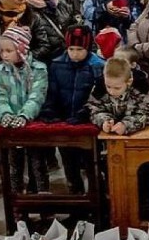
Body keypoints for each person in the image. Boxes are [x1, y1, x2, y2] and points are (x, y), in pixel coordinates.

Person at [40, 25, 104, 194]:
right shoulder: (56, 65)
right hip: (65, 123)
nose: (75, 53)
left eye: (80, 49)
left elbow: (101, 95)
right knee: (70, 166)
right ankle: (77, 205)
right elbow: (51, 92)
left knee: (93, 166)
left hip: (90, 125)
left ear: (88, 47)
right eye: (71, 49)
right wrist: (50, 111)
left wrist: (86, 113)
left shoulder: (98, 66)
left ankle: (97, 204)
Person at [0, 26, 48, 194]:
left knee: (38, 165)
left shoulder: (38, 69)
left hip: (33, 125)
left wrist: (25, 115)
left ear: (22, 48)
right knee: (14, 166)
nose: (4, 55)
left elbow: (37, 95)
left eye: (9, 50)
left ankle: (44, 205)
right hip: (10, 127)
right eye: (2, 50)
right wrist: (5, 113)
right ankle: (17, 208)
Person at [86, 57, 149, 135]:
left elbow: (146, 115)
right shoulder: (99, 90)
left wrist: (126, 125)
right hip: (108, 136)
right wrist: (105, 121)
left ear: (129, 82)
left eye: (117, 88)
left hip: (135, 136)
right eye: (108, 86)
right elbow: (94, 110)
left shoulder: (141, 90)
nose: (111, 91)